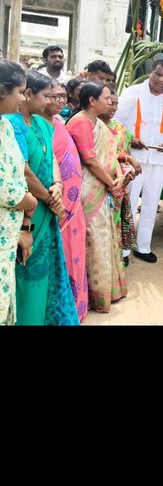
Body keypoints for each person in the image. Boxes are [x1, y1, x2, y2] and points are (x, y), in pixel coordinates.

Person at [7, 71, 79, 325]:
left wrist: (58, 183)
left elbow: (52, 161)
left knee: (45, 272)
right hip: (28, 209)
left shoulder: (40, 124)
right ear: (27, 95)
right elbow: (23, 171)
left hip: (46, 209)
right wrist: (49, 198)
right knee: (26, 273)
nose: (51, 102)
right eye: (46, 96)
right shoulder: (12, 126)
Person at [115, 58, 163, 262]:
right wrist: (130, 139)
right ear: (150, 73)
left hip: (159, 159)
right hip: (133, 157)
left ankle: (143, 246)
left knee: (151, 203)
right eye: (158, 74)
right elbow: (116, 121)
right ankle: (124, 249)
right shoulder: (133, 92)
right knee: (128, 202)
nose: (161, 80)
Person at [67, 81, 127, 313]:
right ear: (92, 101)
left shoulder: (96, 123)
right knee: (94, 241)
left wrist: (117, 177)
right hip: (88, 189)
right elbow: (91, 160)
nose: (109, 102)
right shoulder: (81, 122)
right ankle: (94, 297)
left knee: (102, 238)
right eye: (105, 98)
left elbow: (110, 155)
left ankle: (105, 291)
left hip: (100, 186)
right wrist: (111, 183)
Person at [44, 80, 89, 322]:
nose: (60, 101)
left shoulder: (60, 122)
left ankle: (76, 308)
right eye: (54, 96)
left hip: (74, 207)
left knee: (76, 255)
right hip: (55, 206)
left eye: (63, 96)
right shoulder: (38, 127)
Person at [0, 61, 38, 326]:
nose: (23, 98)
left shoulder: (5, 126)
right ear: (2, 91)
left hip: (8, 233)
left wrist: (26, 222)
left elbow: (16, 174)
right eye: (20, 92)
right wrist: (31, 200)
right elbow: (5, 187)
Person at [103, 90, 142, 265]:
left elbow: (126, 149)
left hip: (121, 184)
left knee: (117, 221)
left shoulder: (119, 126)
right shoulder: (92, 125)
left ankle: (118, 255)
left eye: (116, 103)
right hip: (101, 184)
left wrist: (128, 170)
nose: (114, 107)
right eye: (110, 102)